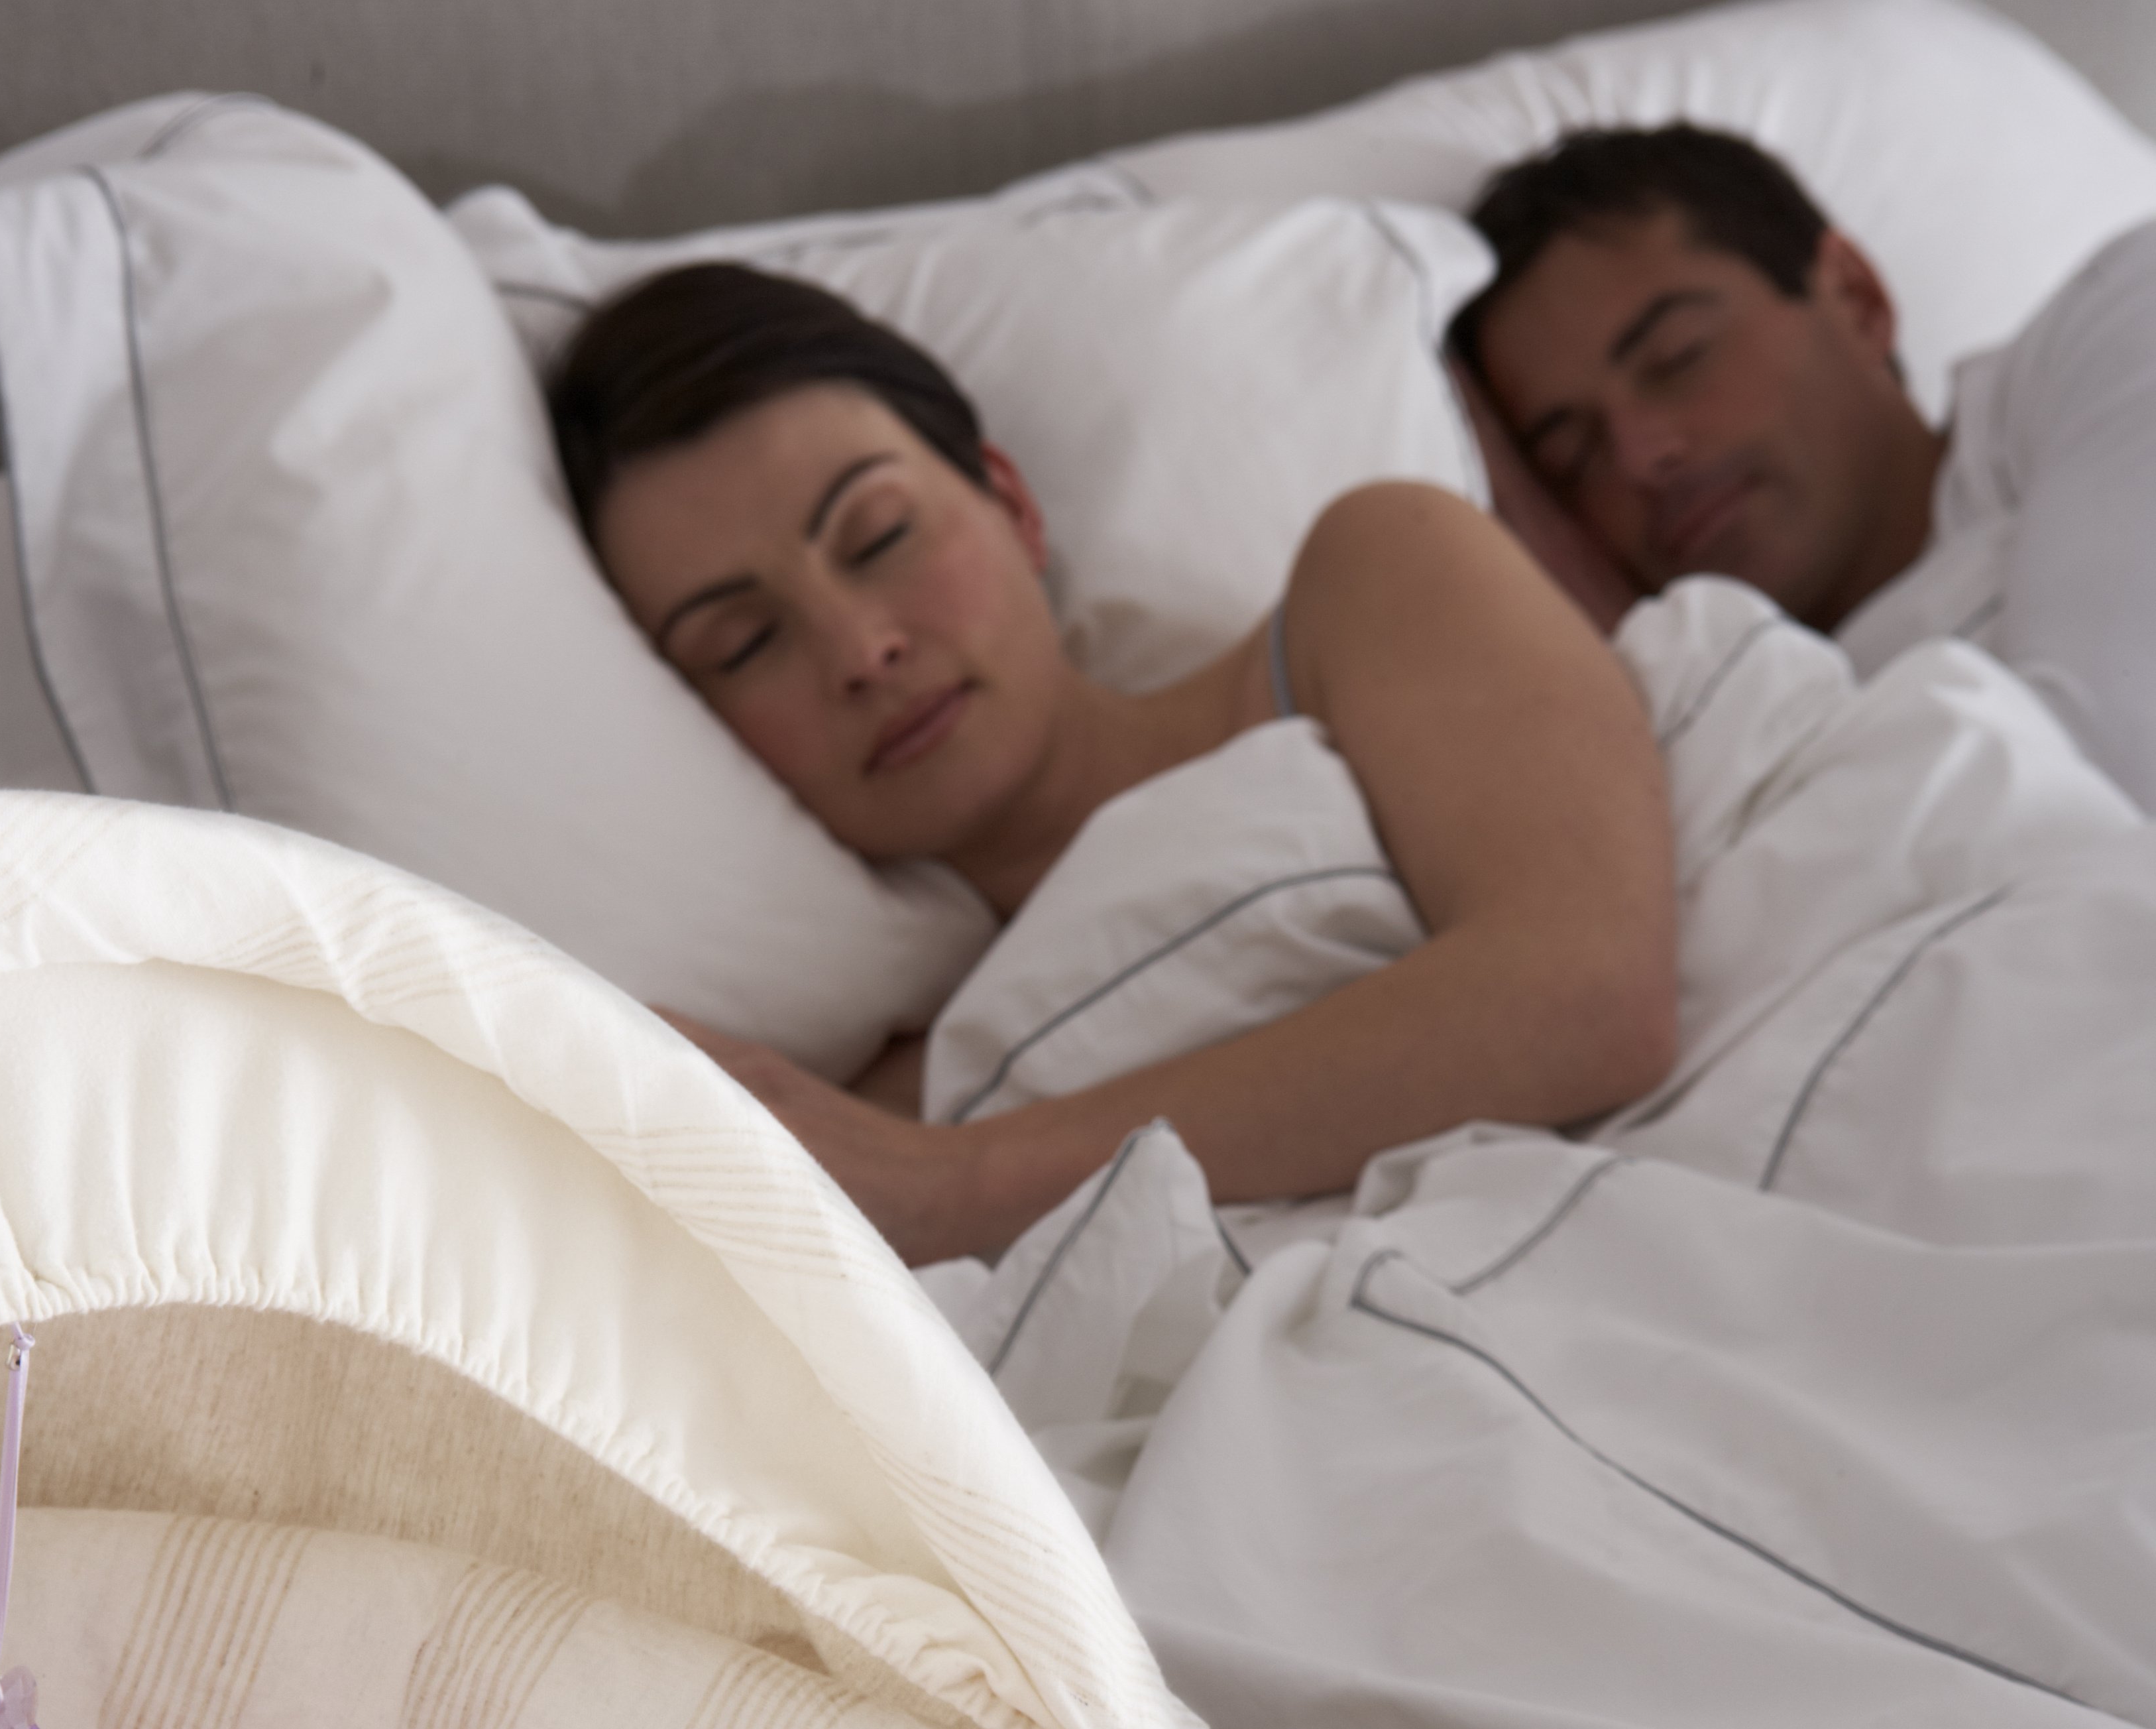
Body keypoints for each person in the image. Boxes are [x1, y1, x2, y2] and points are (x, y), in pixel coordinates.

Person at [548, 263, 1677, 1265]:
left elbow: (1588, 991)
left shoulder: (1369, 586)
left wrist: (961, 1187)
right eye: (743, 644)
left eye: (879, 535)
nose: (860, 650)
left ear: (1012, 505)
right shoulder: (889, 1102)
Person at [1450, 122, 2156, 814]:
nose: (1640, 456)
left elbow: (2111, 790)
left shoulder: (2113, 322)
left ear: (1854, 297)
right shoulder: (1700, 770)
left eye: (1677, 358)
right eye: (1573, 457)